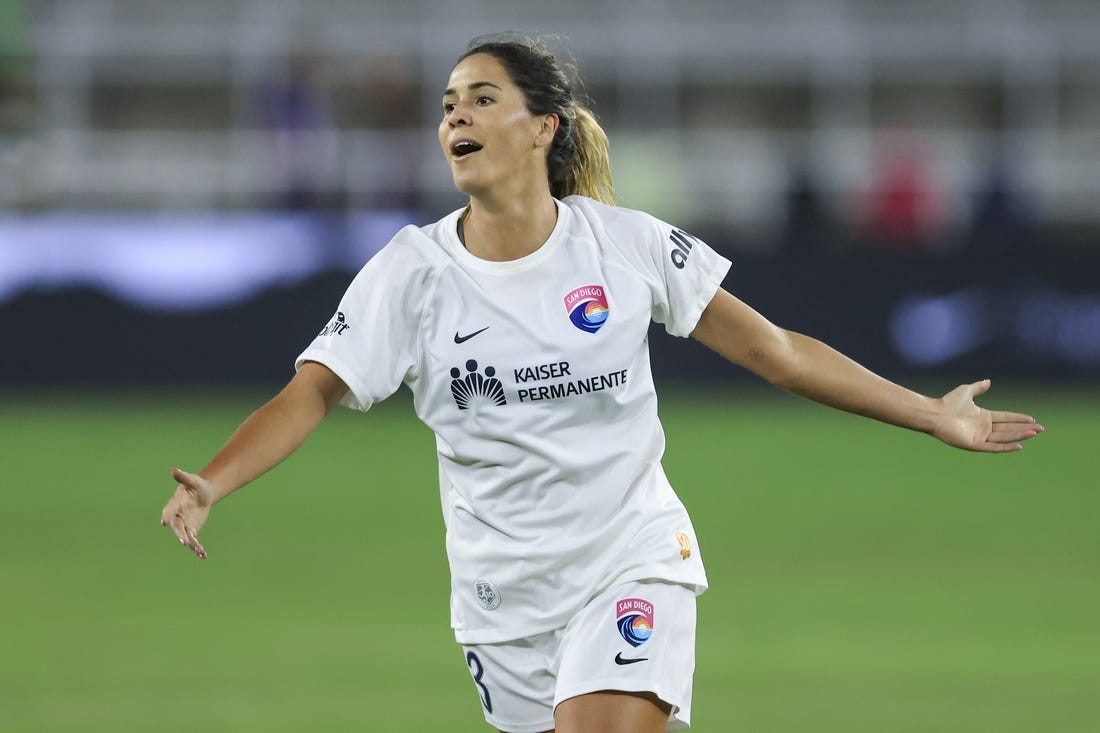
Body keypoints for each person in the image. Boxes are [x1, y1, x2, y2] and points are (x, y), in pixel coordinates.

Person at [160, 34, 1044, 733]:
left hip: (632, 561)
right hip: (501, 604)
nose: (454, 117)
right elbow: (310, 390)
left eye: (481, 97)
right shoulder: (413, 271)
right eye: (446, 105)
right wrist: (215, 479)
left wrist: (930, 412)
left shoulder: (623, 245)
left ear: (543, 126)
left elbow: (775, 349)